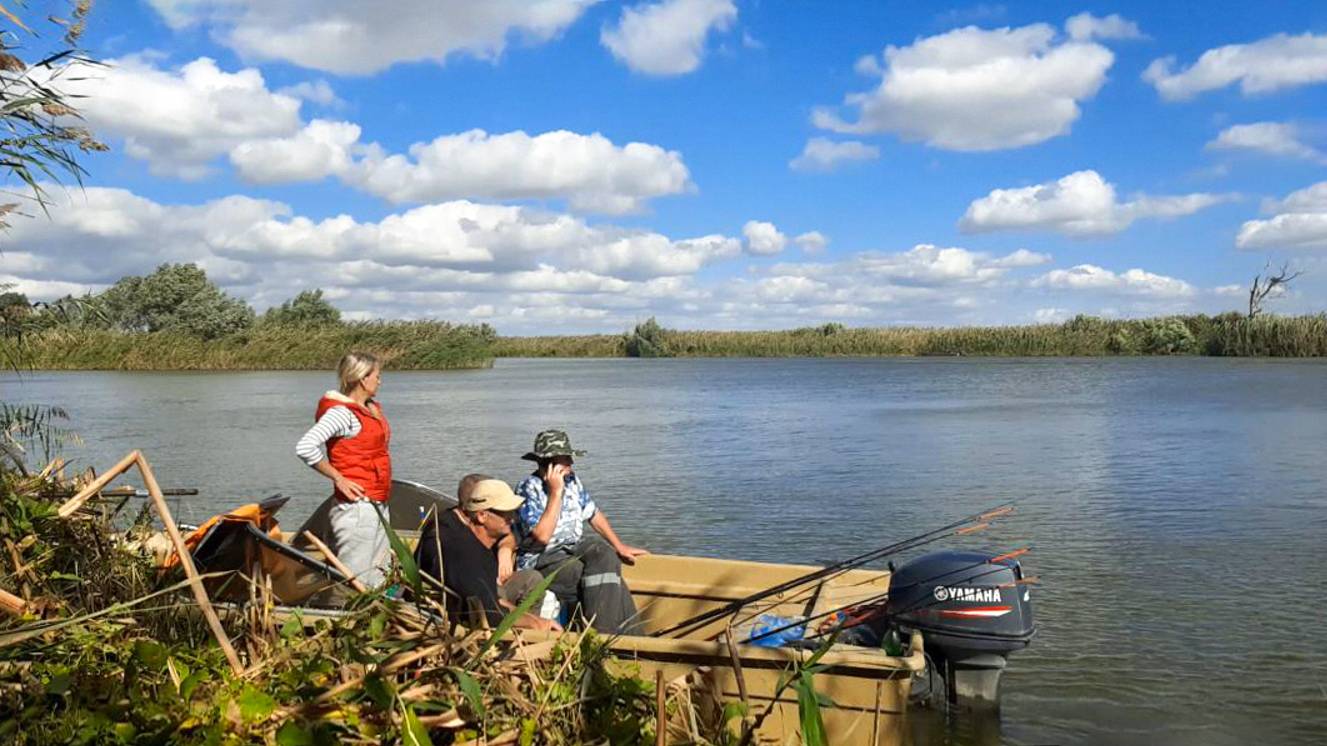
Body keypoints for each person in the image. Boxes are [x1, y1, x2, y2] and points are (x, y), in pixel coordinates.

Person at [513, 429, 647, 634]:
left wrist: (619, 545)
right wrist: (555, 493)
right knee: (600, 579)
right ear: (549, 463)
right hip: (542, 557)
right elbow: (541, 538)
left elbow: (593, 513)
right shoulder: (528, 489)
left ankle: (622, 638)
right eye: (565, 460)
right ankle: (603, 639)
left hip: (572, 547)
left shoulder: (572, 481)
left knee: (603, 552)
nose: (571, 464)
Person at [295, 351, 393, 588]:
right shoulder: (341, 414)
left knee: (380, 573)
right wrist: (339, 478)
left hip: (377, 501)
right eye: (377, 376)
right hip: (357, 508)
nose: (380, 381)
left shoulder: (369, 408)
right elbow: (305, 447)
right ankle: (346, 619)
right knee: (355, 580)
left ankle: (377, 617)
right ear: (362, 379)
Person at [415, 474, 560, 631]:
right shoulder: (463, 553)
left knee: (532, 580)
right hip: (461, 618)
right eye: (506, 513)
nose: (512, 518)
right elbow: (490, 614)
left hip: (484, 600)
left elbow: (493, 600)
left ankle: (524, 635)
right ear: (482, 515)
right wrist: (538, 623)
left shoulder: (465, 525)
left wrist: (505, 549)